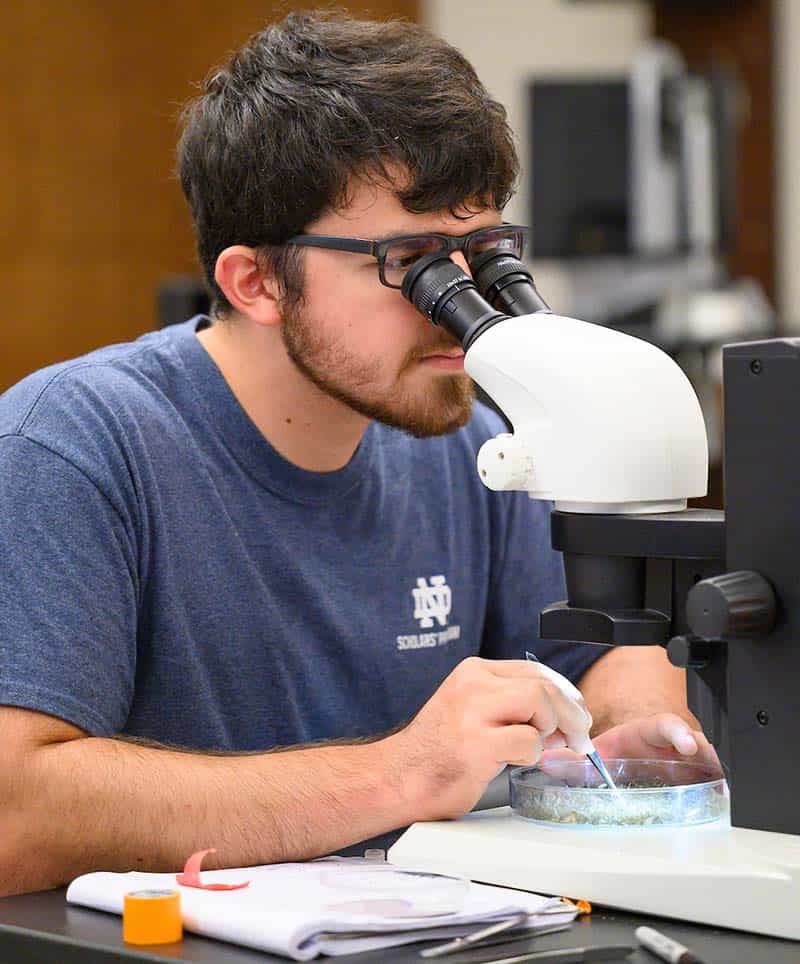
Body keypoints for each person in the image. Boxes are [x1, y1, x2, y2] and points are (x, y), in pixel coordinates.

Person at [0, 11, 714, 896]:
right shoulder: (74, 448)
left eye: (483, 257)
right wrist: (398, 774)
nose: (462, 311)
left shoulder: (474, 453)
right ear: (255, 282)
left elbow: (601, 656)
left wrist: (644, 728)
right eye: (414, 266)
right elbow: (13, 812)